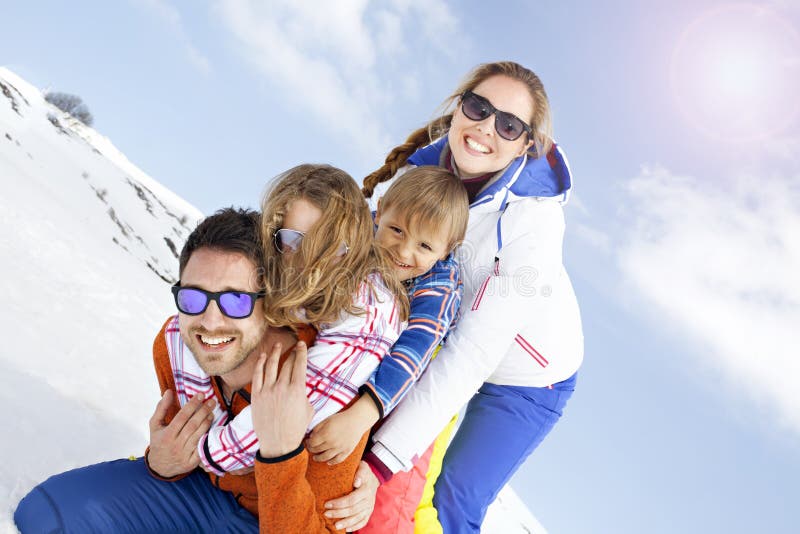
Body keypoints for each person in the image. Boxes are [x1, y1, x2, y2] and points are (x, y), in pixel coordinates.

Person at [14, 189, 401, 532]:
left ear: (270, 302)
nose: (210, 322)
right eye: (194, 297)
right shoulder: (175, 346)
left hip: (276, 521)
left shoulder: (325, 383)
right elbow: (181, 450)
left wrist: (281, 455)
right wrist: (160, 462)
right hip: (197, 495)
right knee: (45, 513)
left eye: (235, 300)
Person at [354, 61, 584, 533]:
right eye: (478, 107)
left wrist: (378, 464)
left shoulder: (534, 224)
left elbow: (473, 353)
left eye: (508, 124)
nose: (485, 129)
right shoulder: (423, 173)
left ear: (527, 143)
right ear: (458, 107)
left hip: (528, 377)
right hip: (442, 332)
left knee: (448, 503)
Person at [303, 167, 468, 531]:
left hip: (403, 387)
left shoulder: (441, 285)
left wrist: (362, 414)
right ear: (381, 210)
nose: (404, 251)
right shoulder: (360, 231)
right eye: (396, 230)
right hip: (343, 350)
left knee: (376, 496)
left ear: (446, 251)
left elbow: (412, 352)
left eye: (424, 246)